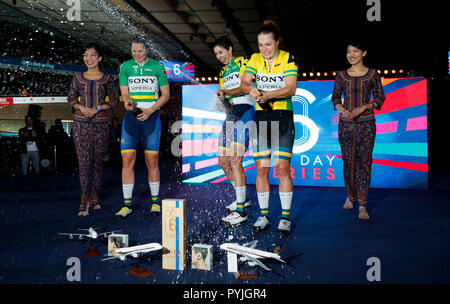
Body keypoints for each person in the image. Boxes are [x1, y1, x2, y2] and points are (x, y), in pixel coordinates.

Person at [240, 20, 298, 236]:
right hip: (261, 119)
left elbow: (290, 88)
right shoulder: (255, 59)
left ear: (277, 42)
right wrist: (252, 90)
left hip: (283, 117)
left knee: (282, 168)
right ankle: (264, 215)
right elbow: (245, 83)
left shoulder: (287, 58)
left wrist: (267, 94)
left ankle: (285, 217)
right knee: (262, 168)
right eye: (260, 44)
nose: (263, 49)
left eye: (268, 44)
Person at [115, 34, 170, 218]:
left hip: (152, 118)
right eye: (133, 51)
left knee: (152, 162)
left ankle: (155, 203)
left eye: (140, 51)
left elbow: (165, 95)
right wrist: (128, 103)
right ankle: (127, 205)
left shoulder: (157, 67)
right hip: (132, 119)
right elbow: (124, 93)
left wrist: (151, 110)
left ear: (147, 49)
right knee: (127, 161)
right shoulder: (125, 67)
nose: (136, 54)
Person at [331, 41, 385, 220]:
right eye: (348, 52)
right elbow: (335, 98)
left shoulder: (372, 74)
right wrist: (343, 110)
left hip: (366, 125)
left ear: (364, 53)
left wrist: (362, 108)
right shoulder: (341, 75)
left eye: (355, 51)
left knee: (364, 163)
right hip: (345, 125)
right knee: (348, 162)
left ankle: (362, 204)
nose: (351, 55)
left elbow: (379, 98)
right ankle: (350, 196)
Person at [67, 42, 119, 216]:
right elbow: (71, 99)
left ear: (99, 58)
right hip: (80, 125)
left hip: (101, 126)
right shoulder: (77, 78)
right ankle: (84, 201)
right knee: (83, 163)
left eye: (92, 55)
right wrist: (82, 108)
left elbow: (114, 102)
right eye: (85, 55)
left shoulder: (107, 79)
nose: (88, 58)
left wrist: (98, 108)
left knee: (97, 163)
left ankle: (94, 198)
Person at [212, 36, 255, 226]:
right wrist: (220, 100)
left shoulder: (242, 62)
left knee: (236, 160)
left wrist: (226, 93)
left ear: (229, 49)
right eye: (216, 54)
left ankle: (241, 211)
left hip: (245, 112)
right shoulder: (222, 71)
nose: (219, 56)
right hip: (230, 115)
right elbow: (224, 97)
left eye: (221, 52)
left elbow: (246, 87)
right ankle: (242, 198)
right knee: (223, 161)